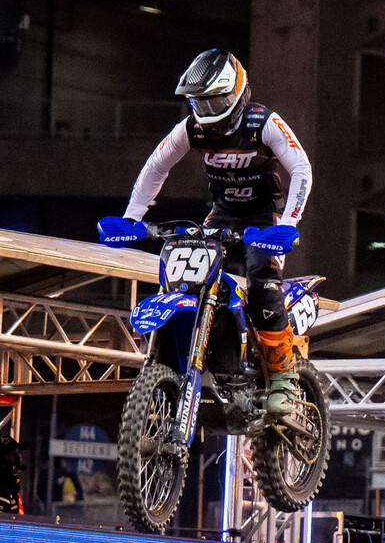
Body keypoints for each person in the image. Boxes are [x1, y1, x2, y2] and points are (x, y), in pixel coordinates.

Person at [98, 50, 314, 423]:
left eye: (215, 99)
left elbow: (301, 166)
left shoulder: (263, 122)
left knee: (263, 282)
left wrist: (289, 224)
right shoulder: (192, 128)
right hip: (222, 216)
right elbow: (157, 166)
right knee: (188, 276)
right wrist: (133, 218)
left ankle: (283, 379)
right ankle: (199, 356)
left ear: (236, 91)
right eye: (200, 101)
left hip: (265, 218)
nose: (208, 108)